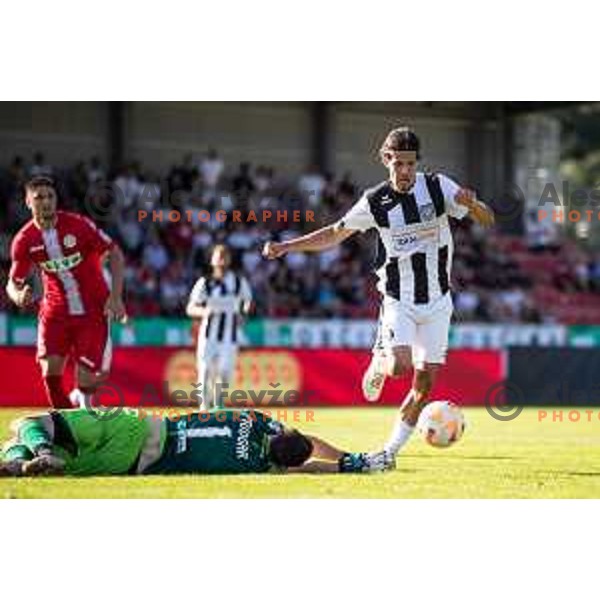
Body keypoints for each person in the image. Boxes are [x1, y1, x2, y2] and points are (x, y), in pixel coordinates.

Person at [263, 127, 494, 463]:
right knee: (399, 367)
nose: (404, 171)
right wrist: (287, 246)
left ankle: (388, 453)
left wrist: (473, 204)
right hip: (399, 298)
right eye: (398, 163)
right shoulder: (375, 201)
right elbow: (334, 233)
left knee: (424, 387)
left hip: (439, 302)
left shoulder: (438, 187)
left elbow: (487, 219)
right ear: (386, 159)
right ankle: (380, 359)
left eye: (410, 164)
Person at [5, 176, 127, 410]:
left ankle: (84, 411)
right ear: (28, 202)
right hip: (55, 311)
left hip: (92, 311)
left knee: (86, 382)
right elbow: (13, 282)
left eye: (50, 196)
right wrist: (18, 296)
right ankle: (68, 431)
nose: (46, 202)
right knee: (50, 375)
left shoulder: (79, 225)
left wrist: (115, 296)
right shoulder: (24, 240)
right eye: (39, 197)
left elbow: (115, 253)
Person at [0, 408, 391, 477]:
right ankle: (21, 463)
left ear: (282, 433)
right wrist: (349, 465)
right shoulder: (258, 466)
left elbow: (310, 443)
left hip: (139, 429)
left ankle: (38, 450)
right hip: (132, 464)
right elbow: (308, 466)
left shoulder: (254, 420)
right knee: (57, 468)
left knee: (29, 424)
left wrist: (344, 458)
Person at [186, 244, 253, 410]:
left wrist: (243, 314)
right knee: (205, 371)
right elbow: (190, 308)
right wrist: (205, 311)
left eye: (225, 256)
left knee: (224, 373)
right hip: (209, 335)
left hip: (229, 336)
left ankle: (219, 408)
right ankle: (203, 409)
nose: (222, 260)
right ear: (212, 260)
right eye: (218, 256)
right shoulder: (205, 283)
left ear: (229, 260)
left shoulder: (238, 282)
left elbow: (248, 301)